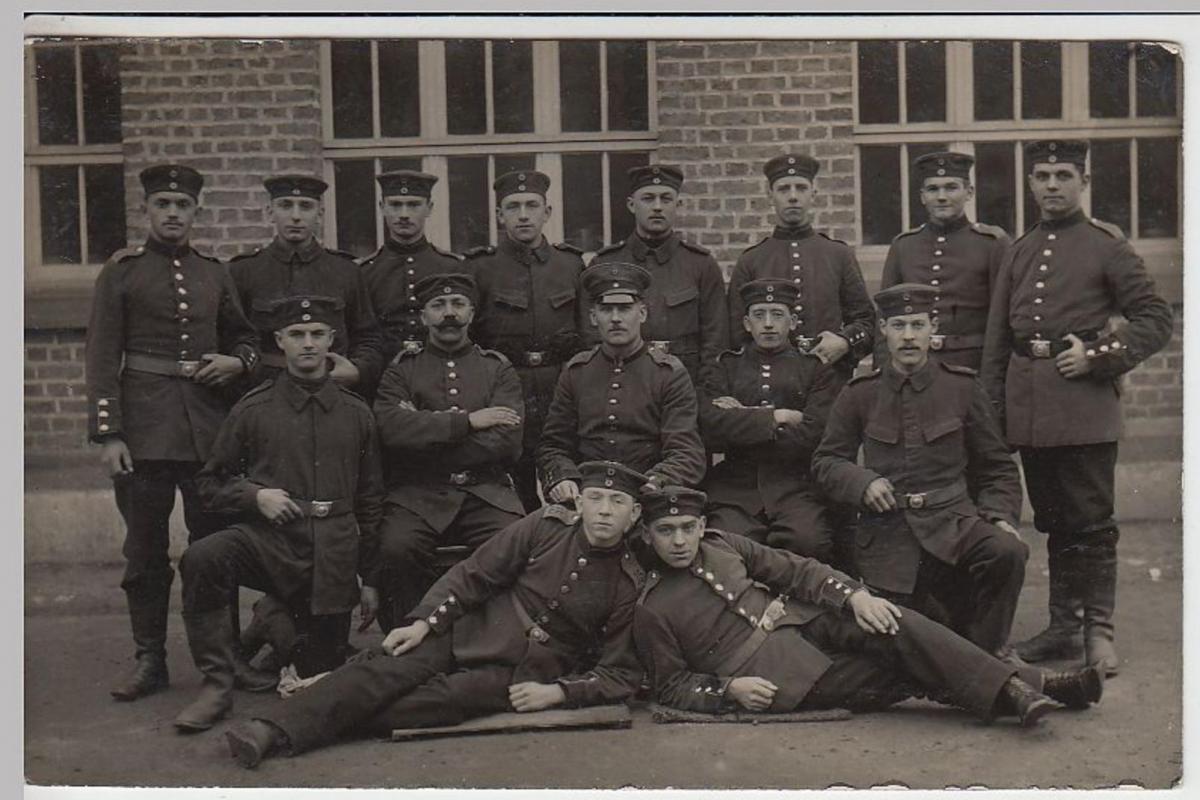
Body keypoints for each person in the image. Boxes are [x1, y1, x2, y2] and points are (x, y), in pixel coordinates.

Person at [222, 460, 649, 769]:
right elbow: (475, 572)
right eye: (595, 498)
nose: (605, 510)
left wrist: (558, 693)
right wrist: (425, 621)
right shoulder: (546, 525)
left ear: (634, 515)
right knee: (390, 672)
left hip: (521, 673)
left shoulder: (630, 582)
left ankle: (322, 700)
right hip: (472, 629)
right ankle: (269, 730)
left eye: (617, 501)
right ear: (581, 502)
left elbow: (620, 673)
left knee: (435, 704)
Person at [633, 486, 1104, 727]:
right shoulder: (653, 608)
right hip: (775, 674)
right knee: (899, 671)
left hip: (805, 621)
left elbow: (797, 570)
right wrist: (728, 690)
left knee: (896, 624)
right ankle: (1034, 689)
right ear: (648, 535)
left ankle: (1022, 692)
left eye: (687, 527)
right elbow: (671, 687)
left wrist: (854, 595)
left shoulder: (724, 544)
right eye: (666, 531)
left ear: (701, 526)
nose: (679, 540)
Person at [980, 140, 1174, 676]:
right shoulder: (1020, 249)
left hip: (1084, 407)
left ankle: (1098, 632)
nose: (1051, 185)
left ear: (1083, 182)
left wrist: (1098, 356)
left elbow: (1156, 317)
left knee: (1091, 523)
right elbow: (999, 338)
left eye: (1063, 174)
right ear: (1030, 184)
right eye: (1041, 175)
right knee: (1054, 522)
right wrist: (994, 412)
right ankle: (1064, 628)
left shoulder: (1106, 245)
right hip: (1031, 409)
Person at [85, 163, 259, 703]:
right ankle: (150, 659)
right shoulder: (122, 272)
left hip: (206, 430)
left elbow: (245, 337)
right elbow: (101, 356)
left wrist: (237, 362)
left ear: (196, 212)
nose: (173, 214)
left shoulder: (213, 272)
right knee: (144, 550)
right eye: (163, 204)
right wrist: (110, 436)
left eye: (183, 206)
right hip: (143, 431)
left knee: (213, 548)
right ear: (146, 211)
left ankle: (224, 657)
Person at [175, 296, 385, 731]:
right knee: (204, 556)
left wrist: (371, 579)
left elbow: (371, 501)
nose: (307, 344)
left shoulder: (357, 413)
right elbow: (209, 484)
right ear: (280, 341)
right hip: (273, 542)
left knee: (317, 668)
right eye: (296, 335)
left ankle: (273, 621)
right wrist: (255, 497)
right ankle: (218, 683)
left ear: (332, 340)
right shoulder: (254, 408)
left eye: (317, 335)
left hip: (333, 552)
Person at [811, 284, 1026, 658]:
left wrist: (1000, 516)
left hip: (954, 526)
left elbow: (996, 467)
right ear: (883, 330)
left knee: (1007, 552)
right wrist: (862, 482)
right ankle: (980, 666)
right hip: (889, 538)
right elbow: (826, 462)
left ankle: (991, 655)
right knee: (907, 642)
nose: (908, 336)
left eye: (917, 324)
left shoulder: (962, 387)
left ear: (933, 327)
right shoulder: (860, 393)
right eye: (898, 325)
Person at [372, 272, 526, 629]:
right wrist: (469, 422)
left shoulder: (496, 368)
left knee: (513, 543)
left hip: (485, 492)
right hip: (418, 494)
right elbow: (390, 430)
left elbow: (506, 440)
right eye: (438, 305)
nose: (449, 313)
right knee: (395, 548)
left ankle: (493, 641)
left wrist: (424, 430)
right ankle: (405, 644)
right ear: (423, 316)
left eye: (457, 304)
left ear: (471, 313)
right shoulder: (402, 371)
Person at [467, 169, 589, 512]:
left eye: (532, 205)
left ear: (547, 212)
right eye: (513, 206)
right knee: (513, 491)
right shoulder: (480, 268)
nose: (523, 214)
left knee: (566, 480)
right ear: (499, 215)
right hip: (507, 389)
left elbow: (586, 334)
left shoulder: (571, 264)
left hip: (559, 387)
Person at [699, 279, 845, 563]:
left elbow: (814, 434)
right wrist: (778, 417)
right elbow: (710, 429)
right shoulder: (726, 367)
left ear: (792, 322)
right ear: (746, 323)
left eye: (777, 315)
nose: (768, 324)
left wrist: (741, 418)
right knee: (724, 550)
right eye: (759, 315)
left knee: (809, 542)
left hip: (795, 485)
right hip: (736, 488)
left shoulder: (815, 370)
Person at [537, 261, 706, 505]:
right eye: (606, 310)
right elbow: (553, 445)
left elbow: (686, 453)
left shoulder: (668, 373)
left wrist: (654, 483)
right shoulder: (577, 371)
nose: (616, 318)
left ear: (643, 313)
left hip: (646, 493)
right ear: (594, 317)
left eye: (625, 308)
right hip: (585, 494)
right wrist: (563, 478)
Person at [228, 173, 383, 391]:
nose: (296, 216)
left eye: (306, 206)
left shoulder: (345, 270)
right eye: (285, 205)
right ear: (270, 212)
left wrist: (357, 370)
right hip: (266, 390)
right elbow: (232, 336)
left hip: (332, 387)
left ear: (320, 214)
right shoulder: (243, 271)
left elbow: (368, 337)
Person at [726, 153, 875, 374]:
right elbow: (735, 333)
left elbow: (866, 321)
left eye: (801, 188)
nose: (793, 197)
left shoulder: (838, 255)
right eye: (784, 189)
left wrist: (844, 341)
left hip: (829, 376)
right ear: (770, 195)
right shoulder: (752, 260)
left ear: (813, 193)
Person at [590, 164, 729, 388]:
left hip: (685, 381)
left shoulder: (701, 264)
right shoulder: (606, 263)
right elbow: (592, 339)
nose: (657, 207)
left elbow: (716, 339)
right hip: (625, 383)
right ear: (631, 205)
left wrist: (707, 393)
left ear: (678, 205)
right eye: (648, 198)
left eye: (665, 199)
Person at [877, 150, 1010, 371]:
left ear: (969, 192)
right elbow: (885, 317)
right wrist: (883, 374)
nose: (941, 196)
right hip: (915, 366)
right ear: (922, 196)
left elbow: (1002, 320)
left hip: (972, 365)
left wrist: (993, 378)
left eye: (951, 187)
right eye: (933, 189)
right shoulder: (904, 245)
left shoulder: (992, 243)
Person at [357, 170, 465, 370]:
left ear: (429, 208)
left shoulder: (452, 267)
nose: (404, 214)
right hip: (381, 373)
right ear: (382, 207)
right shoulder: (364, 271)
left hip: (439, 371)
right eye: (395, 205)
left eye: (414, 205)